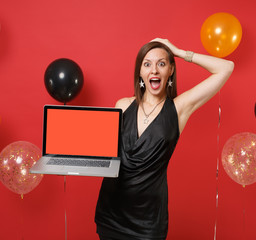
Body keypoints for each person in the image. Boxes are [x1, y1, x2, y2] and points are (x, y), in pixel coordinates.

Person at [95, 38, 234, 240]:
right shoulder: (122, 105)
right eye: (147, 64)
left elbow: (226, 67)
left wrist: (179, 52)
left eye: (161, 63)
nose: (154, 70)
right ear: (140, 72)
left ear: (170, 70)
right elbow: (105, 153)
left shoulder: (178, 109)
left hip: (148, 220)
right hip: (111, 212)